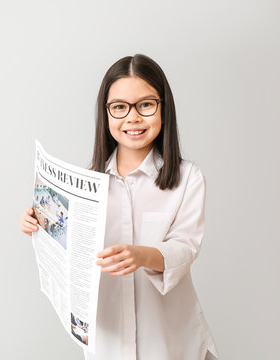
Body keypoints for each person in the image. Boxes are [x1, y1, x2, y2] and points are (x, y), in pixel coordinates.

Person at [19, 54, 219, 360]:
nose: (133, 118)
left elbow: (185, 247)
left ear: (164, 108)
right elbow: (72, 253)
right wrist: (38, 224)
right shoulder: (86, 186)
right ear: (106, 114)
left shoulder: (187, 177)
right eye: (119, 107)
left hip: (172, 343)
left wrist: (142, 255)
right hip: (108, 342)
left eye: (146, 104)